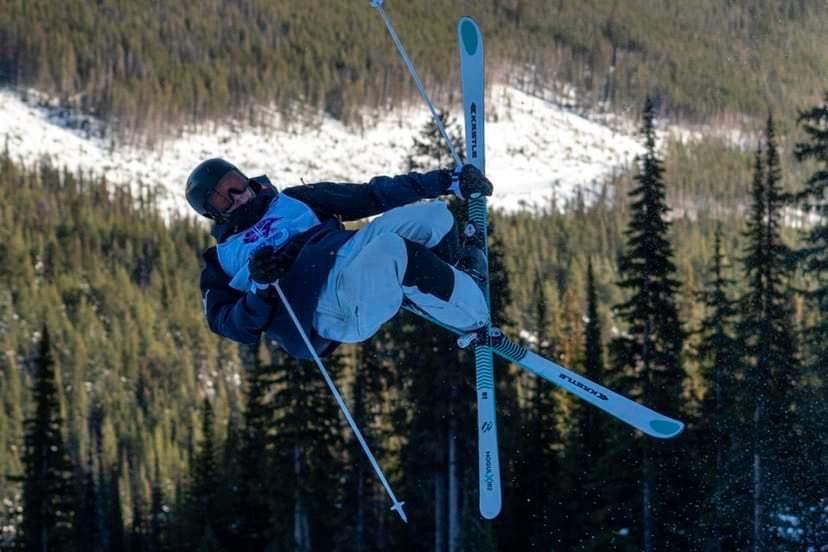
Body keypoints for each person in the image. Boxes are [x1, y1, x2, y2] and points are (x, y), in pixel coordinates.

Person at [186, 157, 493, 360]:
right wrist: (260, 287)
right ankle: (475, 317)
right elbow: (229, 324)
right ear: (212, 212)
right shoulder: (222, 261)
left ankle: (454, 284)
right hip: (325, 306)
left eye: (236, 183)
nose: (238, 195)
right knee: (391, 249)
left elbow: (369, 195)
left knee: (433, 217)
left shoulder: (293, 200)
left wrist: (446, 181)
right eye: (222, 197)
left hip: (348, 253)